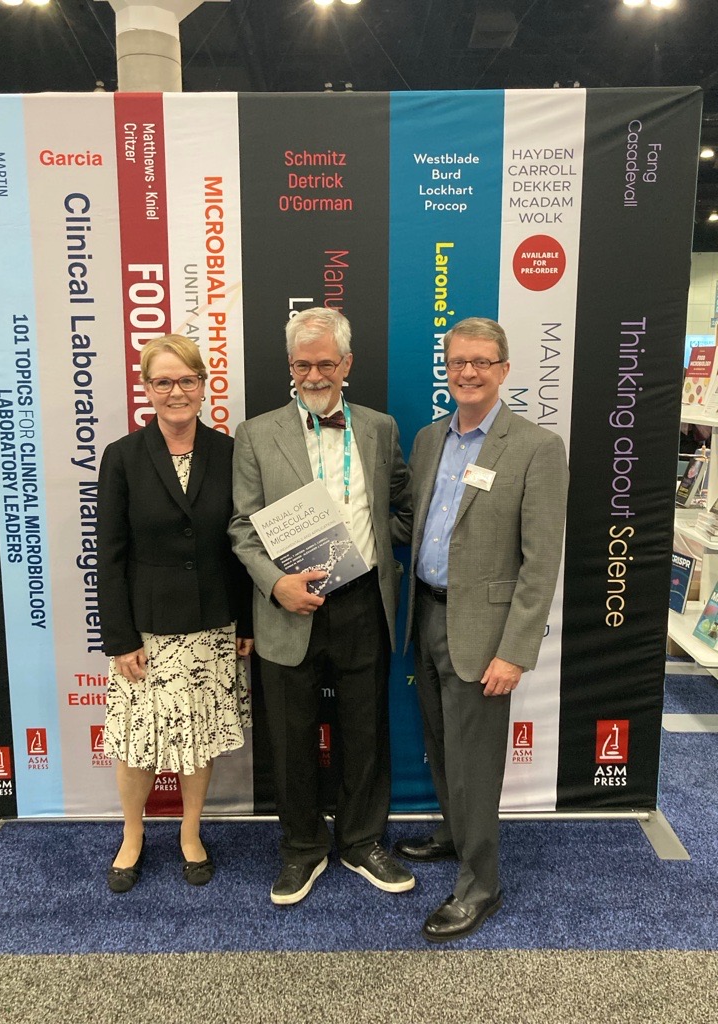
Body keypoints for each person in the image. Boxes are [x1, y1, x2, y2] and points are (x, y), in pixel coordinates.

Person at [229, 307, 414, 905]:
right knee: (290, 736)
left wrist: (378, 546)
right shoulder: (256, 434)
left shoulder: (381, 428)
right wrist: (275, 584)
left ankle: (362, 841)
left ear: (347, 363)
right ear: (290, 366)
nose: (314, 375)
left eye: (326, 363)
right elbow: (242, 528)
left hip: (363, 603)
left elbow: (405, 507)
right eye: (303, 364)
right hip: (289, 607)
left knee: (366, 728)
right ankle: (302, 848)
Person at [393, 317, 568, 942]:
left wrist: (514, 651)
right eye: (458, 361)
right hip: (426, 615)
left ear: (504, 369)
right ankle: (455, 833)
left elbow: (540, 562)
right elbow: (412, 525)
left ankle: (480, 886)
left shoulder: (536, 448)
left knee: (476, 762)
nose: (468, 372)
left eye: (482, 362)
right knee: (442, 746)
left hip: (485, 632)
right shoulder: (427, 440)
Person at [98, 334, 253, 893]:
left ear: (204, 385)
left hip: (213, 624)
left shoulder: (230, 453)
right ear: (147, 388)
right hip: (146, 629)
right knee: (138, 740)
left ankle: (190, 832)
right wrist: (119, 637)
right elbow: (110, 554)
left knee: (197, 737)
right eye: (163, 381)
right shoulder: (122, 456)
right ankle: (132, 834)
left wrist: (247, 624)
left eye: (187, 379)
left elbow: (243, 544)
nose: (176, 391)